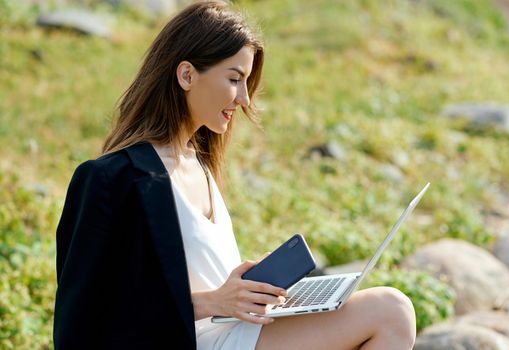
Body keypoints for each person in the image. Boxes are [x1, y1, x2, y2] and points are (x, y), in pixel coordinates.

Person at [53, 1, 417, 349]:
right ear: (186, 74)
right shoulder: (109, 179)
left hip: (233, 333)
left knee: (386, 315)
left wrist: (249, 292)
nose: (243, 98)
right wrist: (212, 302)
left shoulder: (200, 164)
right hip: (190, 341)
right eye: (234, 78)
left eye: (246, 82)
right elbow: (83, 320)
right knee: (390, 311)